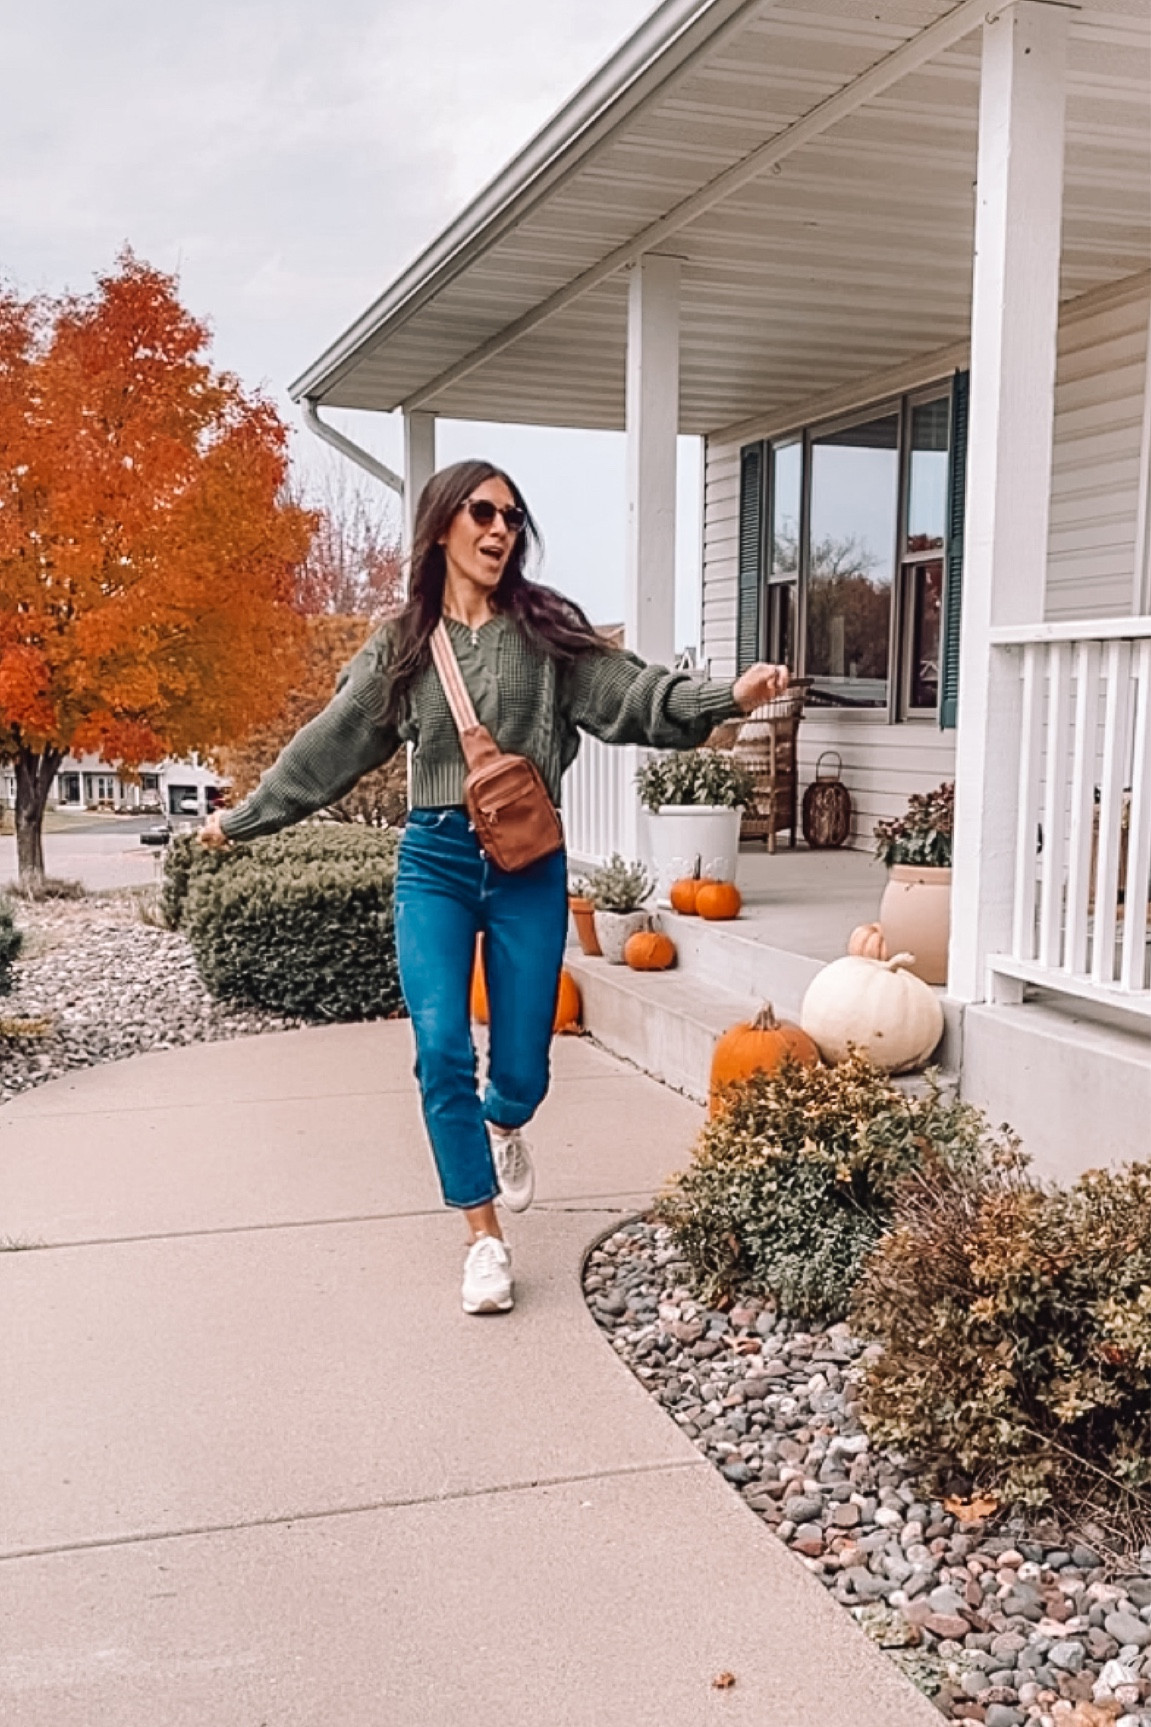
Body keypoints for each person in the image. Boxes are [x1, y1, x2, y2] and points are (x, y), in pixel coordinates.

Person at [200, 459, 787, 1315]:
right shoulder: (399, 644)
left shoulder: (545, 631)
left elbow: (632, 695)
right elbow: (327, 748)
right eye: (482, 511)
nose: (500, 528)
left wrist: (722, 696)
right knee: (439, 1048)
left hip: (527, 864)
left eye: (512, 516)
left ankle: (505, 1122)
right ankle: (483, 1239)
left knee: (520, 1066)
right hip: (433, 860)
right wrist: (241, 818)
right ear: (442, 523)